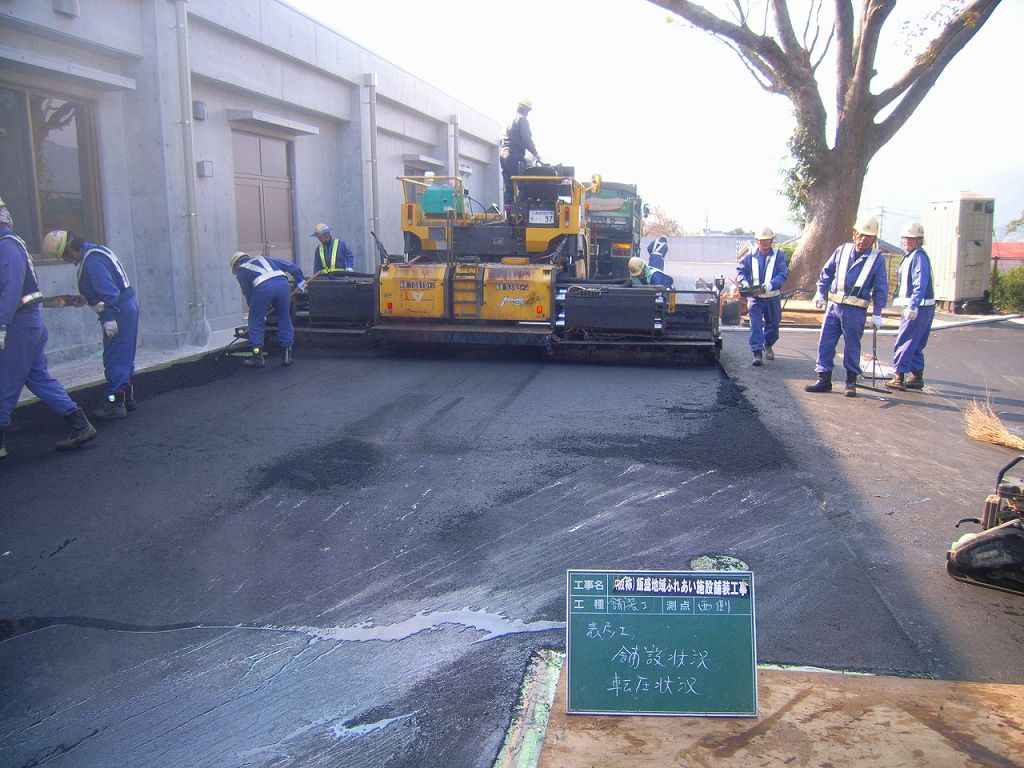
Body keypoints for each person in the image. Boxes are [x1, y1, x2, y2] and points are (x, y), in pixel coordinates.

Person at [1, 199, 96, 456]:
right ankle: (80, 425)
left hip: (18, 326)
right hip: (26, 324)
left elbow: (9, 290)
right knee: (38, 379)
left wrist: (1, 325)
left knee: (5, 380)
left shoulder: (6, 247)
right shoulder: (11, 245)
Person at [42, 229, 140, 419]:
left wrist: (109, 318)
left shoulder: (92, 261)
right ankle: (127, 398)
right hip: (125, 308)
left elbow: (109, 292)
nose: (65, 261)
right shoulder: (96, 251)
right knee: (124, 356)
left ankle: (114, 403)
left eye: (63, 257)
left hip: (117, 312)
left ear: (69, 251)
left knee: (114, 359)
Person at [805, 215, 889, 397]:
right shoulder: (842, 251)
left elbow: (881, 288)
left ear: (874, 239)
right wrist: (820, 292)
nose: (863, 239)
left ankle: (850, 381)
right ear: (854, 234)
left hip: (855, 310)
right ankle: (823, 378)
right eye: (860, 235)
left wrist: (877, 313)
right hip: (834, 306)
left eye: (868, 237)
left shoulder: (877, 259)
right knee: (825, 342)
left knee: (852, 346)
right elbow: (827, 273)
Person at [230, 251, 305, 367]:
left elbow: (248, 293)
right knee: (284, 317)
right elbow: (290, 265)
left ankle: (257, 357)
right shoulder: (264, 258)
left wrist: (258, 310)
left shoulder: (241, 271)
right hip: (283, 284)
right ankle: (287, 354)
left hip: (263, 288)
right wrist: (300, 280)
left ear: (236, 264)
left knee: (255, 320)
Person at [886, 222, 935, 391]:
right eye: (905, 238)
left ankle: (899, 377)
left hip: (918, 308)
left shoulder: (918, 257)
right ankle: (916, 376)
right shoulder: (914, 256)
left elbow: (920, 283)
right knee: (916, 342)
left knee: (906, 340)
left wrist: (913, 305)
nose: (906, 241)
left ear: (919, 240)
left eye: (911, 238)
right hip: (923, 307)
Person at [737, 226, 789, 366]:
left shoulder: (778, 256)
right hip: (755, 298)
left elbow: (783, 274)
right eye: (761, 240)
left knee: (774, 324)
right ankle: (757, 352)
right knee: (755, 325)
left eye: (767, 240)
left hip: (772, 297)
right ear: (757, 241)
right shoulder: (750, 256)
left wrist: (770, 285)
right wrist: (745, 282)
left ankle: (768, 344)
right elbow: (741, 272)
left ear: (771, 240)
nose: (764, 243)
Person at [499, 98, 540, 209]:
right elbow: (527, 139)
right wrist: (536, 154)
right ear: (525, 110)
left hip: (504, 154)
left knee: (509, 186)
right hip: (514, 154)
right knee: (523, 183)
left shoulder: (509, 121)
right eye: (528, 111)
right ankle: (523, 210)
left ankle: (509, 213)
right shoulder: (522, 121)